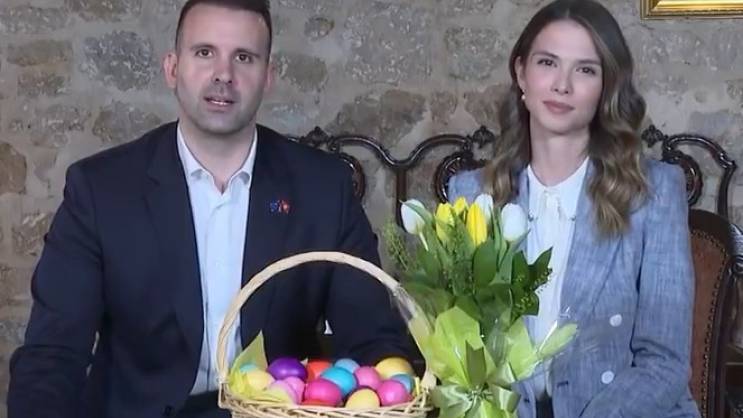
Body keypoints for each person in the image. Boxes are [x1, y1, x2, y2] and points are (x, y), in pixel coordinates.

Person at [7, 1, 416, 417]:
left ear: (268, 76)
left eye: (244, 57)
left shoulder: (323, 189)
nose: (224, 74)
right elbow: (52, 356)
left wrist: (396, 394)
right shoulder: (100, 189)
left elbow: (373, 340)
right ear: (172, 68)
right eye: (205, 52)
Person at [448, 0, 699, 417]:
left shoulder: (653, 194)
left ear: (606, 87)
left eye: (585, 70)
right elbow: (460, 350)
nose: (562, 85)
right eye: (548, 63)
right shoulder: (471, 195)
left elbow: (664, 362)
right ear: (521, 73)